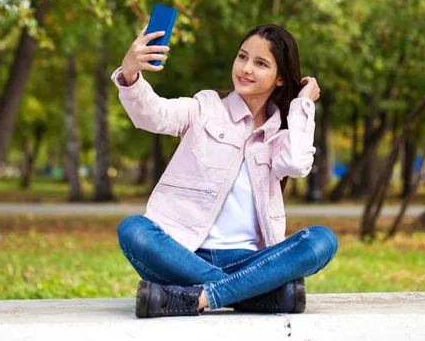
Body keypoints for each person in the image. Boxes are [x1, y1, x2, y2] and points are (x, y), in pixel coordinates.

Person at [112, 24, 338, 318]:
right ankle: (254, 293)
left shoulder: (281, 135)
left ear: (280, 78)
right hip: (183, 254)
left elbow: (296, 164)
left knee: (323, 240)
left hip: (252, 261)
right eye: (242, 57)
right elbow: (152, 115)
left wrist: (303, 103)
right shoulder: (204, 108)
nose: (246, 68)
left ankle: (196, 296)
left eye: (260, 63)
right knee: (133, 230)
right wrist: (130, 73)